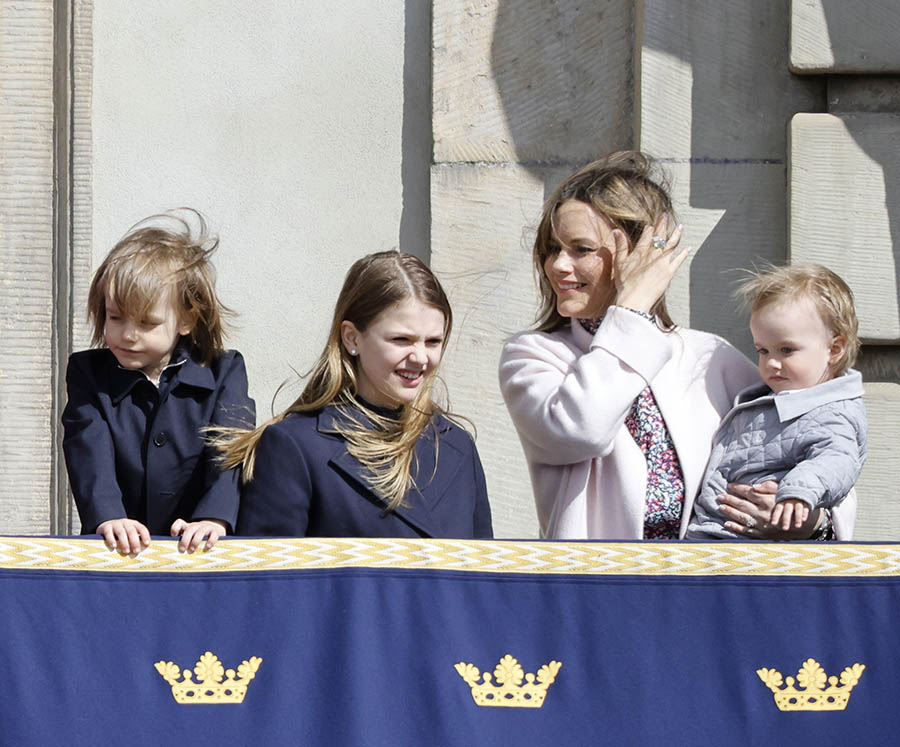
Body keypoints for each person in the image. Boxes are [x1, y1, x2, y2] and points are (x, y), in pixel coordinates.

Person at [498, 150, 855, 540]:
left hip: (705, 586)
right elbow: (583, 431)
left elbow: (820, 442)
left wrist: (811, 520)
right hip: (594, 588)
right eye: (552, 249)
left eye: (580, 249)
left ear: (642, 250)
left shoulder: (710, 356)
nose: (558, 266)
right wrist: (630, 308)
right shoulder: (532, 356)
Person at [217, 251, 492, 539]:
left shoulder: (456, 444)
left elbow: (484, 576)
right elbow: (277, 579)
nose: (421, 358)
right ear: (352, 338)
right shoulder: (295, 446)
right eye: (401, 339)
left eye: (433, 341)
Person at [62, 210, 255, 555]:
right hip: (119, 549)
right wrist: (109, 516)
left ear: (186, 320)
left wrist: (215, 517)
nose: (127, 335)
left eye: (147, 323)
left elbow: (232, 450)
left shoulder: (224, 372)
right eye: (115, 317)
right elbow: (87, 447)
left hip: (200, 550)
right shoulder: (88, 373)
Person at [685, 264, 866, 539]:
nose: (771, 362)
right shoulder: (770, 398)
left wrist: (799, 493)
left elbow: (836, 459)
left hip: (761, 549)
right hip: (714, 539)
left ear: (834, 349)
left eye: (786, 350)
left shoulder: (831, 410)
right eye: (762, 350)